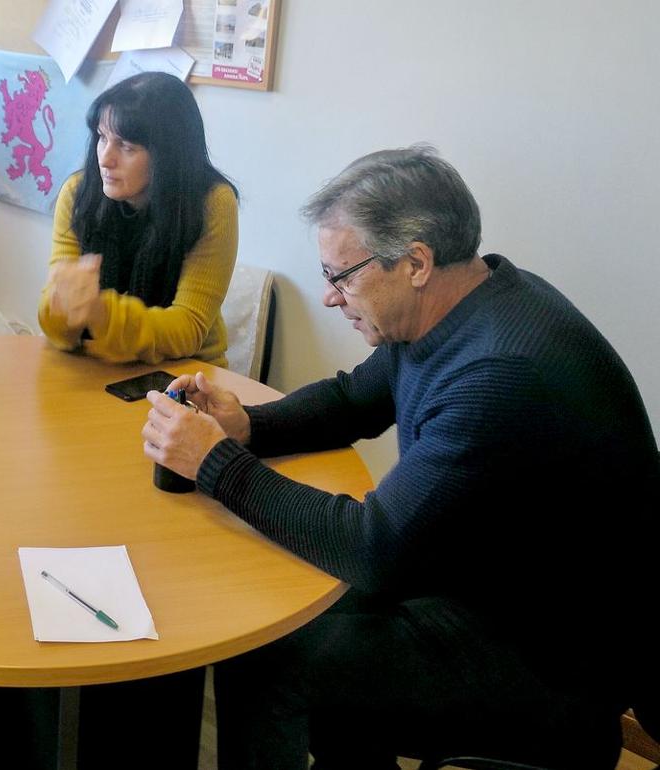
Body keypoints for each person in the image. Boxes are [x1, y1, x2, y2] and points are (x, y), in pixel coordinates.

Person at [141, 145, 659, 769]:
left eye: (342, 275)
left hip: (547, 656)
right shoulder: (468, 300)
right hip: (485, 580)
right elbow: (354, 399)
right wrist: (248, 425)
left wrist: (217, 463)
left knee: (268, 653)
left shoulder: (499, 374)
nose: (331, 297)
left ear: (415, 262)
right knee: (280, 602)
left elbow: (373, 550)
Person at [38, 71, 239, 367]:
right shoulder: (78, 194)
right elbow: (58, 325)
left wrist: (100, 312)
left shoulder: (212, 203)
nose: (105, 158)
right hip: (96, 365)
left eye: (126, 146)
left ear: (167, 155)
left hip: (185, 372)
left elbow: (188, 328)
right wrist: (62, 306)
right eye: (102, 138)